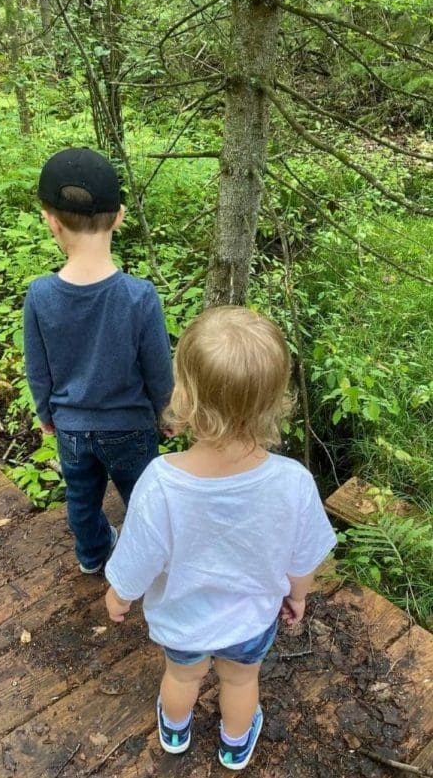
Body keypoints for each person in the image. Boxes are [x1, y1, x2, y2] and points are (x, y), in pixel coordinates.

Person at [105, 306, 337, 771]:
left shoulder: (161, 481)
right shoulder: (292, 482)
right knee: (239, 681)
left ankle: (174, 730)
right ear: (275, 402)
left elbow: (138, 556)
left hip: (183, 620)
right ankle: (234, 743)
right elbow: (303, 559)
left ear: (184, 396)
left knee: (181, 674)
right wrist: (298, 596)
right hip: (251, 620)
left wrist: (119, 594)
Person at [23, 147, 173, 575]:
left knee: (82, 499)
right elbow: (157, 368)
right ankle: (151, 566)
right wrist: (167, 412)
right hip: (130, 427)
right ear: (120, 217)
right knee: (143, 499)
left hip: (71, 429)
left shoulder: (40, 294)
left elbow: (38, 367)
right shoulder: (139, 295)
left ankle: (92, 556)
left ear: (50, 221)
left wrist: (46, 411)